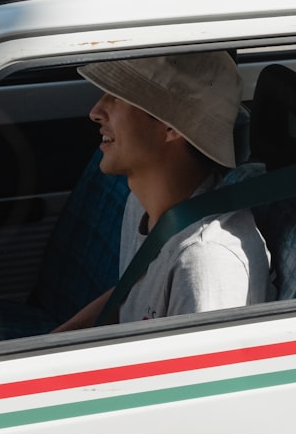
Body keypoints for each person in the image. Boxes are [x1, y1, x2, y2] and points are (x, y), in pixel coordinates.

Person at [54, 51, 275, 330]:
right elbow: (128, 294)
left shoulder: (204, 261)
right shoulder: (141, 204)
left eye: (118, 96)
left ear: (171, 126)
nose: (96, 112)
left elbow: (199, 373)